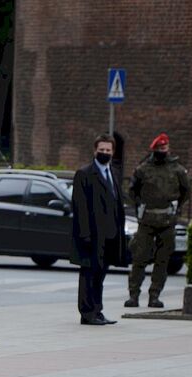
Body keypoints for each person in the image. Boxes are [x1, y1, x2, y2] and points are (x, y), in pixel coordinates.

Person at [125, 133, 191, 308]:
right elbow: (132, 190)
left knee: (162, 260)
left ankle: (154, 295)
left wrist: (176, 208)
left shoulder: (177, 170)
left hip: (167, 221)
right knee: (139, 258)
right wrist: (139, 206)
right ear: (153, 150)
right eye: (159, 148)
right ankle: (133, 295)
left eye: (165, 148)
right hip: (147, 220)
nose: (162, 151)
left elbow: (186, 191)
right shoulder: (143, 169)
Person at [70, 133, 128, 325]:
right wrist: (85, 234)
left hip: (110, 235)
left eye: (108, 150)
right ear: (95, 151)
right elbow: (80, 206)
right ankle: (87, 313)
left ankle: (97, 310)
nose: (105, 153)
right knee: (89, 275)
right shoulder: (84, 173)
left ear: (113, 152)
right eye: (101, 149)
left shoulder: (114, 173)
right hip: (92, 235)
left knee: (100, 275)